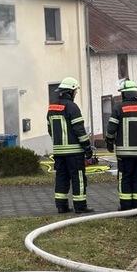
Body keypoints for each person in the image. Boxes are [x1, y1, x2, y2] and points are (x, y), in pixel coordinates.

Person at [105, 79, 137, 210]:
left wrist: (109, 142)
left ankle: (126, 206)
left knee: (125, 178)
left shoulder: (118, 109)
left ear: (124, 95)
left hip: (124, 153)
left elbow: (111, 129)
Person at [47, 77, 94, 214]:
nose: (75, 94)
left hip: (59, 151)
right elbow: (79, 129)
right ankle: (80, 207)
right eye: (75, 91)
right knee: (78, 178)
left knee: (61, 177)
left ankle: (61, 206)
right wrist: (87, 147)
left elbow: (50, 128)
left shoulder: (52, 106)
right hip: (74, 151)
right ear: (71, 91)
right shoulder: (72, 107)